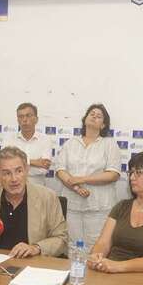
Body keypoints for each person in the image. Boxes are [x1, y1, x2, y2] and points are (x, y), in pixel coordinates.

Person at [55, 103, 121, 248]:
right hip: (72, 205)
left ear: (103, 125)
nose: (94, 116)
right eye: (91, 114)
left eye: (99, 116)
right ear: (85, 119)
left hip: (98, 208)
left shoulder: (109, 144)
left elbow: (113, 174)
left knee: (96, 246)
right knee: (72, 246)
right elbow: (60, 170)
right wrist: (76, 187)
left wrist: (83, 179)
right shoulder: (70, 143)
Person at [2, 102, 54, 187]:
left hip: (37, 187)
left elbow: (43, 168)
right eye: (21, 116)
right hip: (12, 188)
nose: (24, 119)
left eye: (28, 115)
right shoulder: (9, 139)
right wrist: (34, 162)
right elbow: (5, 164)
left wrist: (16, 166)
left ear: (36, 119)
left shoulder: (45, 140)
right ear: (17, 120)